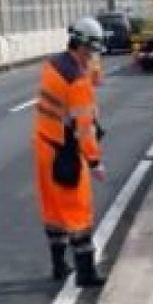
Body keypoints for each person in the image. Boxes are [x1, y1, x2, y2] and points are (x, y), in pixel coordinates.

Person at [33, 17, 107, 287]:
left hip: (44, 143)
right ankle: (86, 274)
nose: (95, 55)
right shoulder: (77, 82)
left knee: (53, 209)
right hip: (66, 150)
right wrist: (95, 161)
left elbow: (95, 80)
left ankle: (59, 265)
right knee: (78, 210)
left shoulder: (53, 66)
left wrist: (91, 67)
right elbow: (84, 129)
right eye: (93, 50)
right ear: (83, 46)